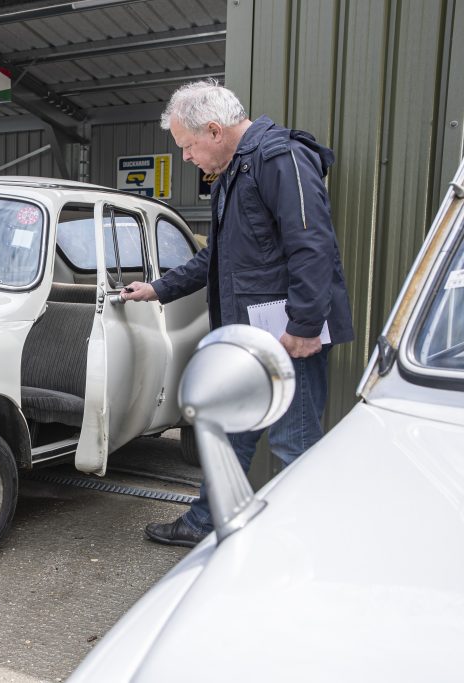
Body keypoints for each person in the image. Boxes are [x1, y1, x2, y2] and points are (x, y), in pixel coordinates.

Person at [122, 79, 354, 547]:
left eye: (187, 147)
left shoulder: (280, 158)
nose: (186, 157)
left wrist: (306, 326)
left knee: (296, 441)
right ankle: (205, 521)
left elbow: (313, 246)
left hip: (288, 337)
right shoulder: (235, 171)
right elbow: (216, 259)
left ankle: (311, 545)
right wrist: (158, 288)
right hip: (247, 341)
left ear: (213, 130)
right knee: (229, 430)